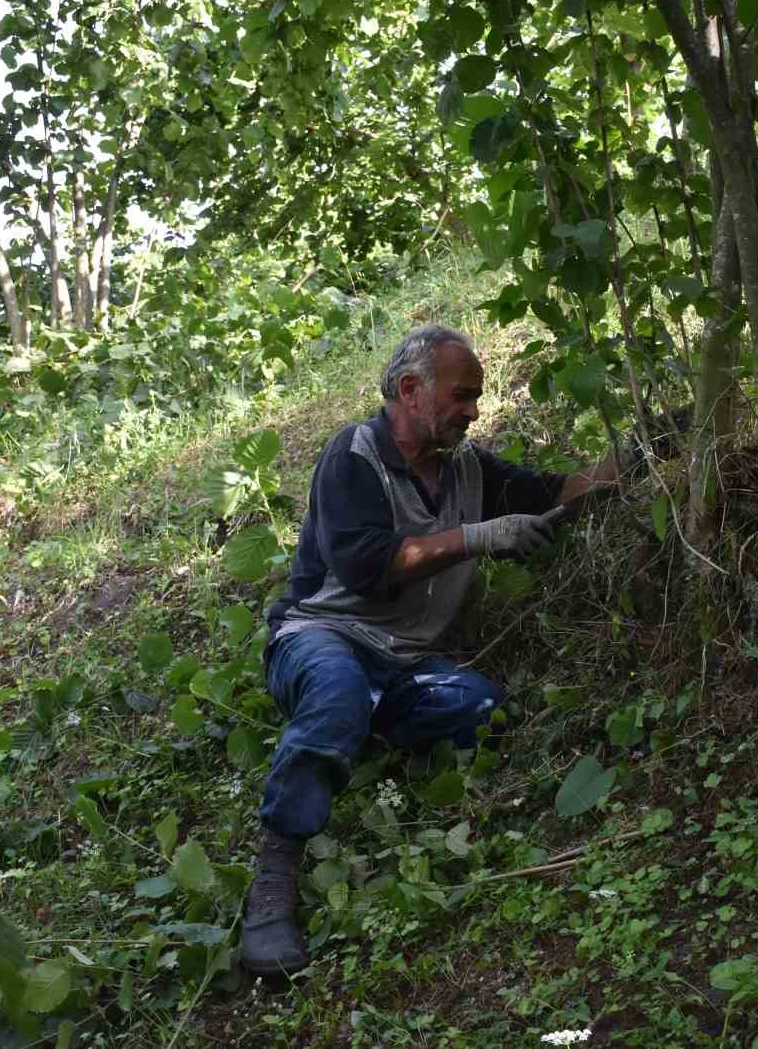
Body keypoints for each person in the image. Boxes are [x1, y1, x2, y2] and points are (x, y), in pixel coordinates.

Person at [241, 323, 620, 975]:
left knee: (482, 708)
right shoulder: (351, 456)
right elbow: (368, 567)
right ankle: (273, 880)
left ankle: (355, 724)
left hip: (406, 663)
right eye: (462, 395)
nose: (474, 410)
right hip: (321, 637)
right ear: (411, 389)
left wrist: (642, 449)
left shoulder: (468, 467)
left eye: (476, 397)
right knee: (334, 690)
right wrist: (478, 537)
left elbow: (559, 490)